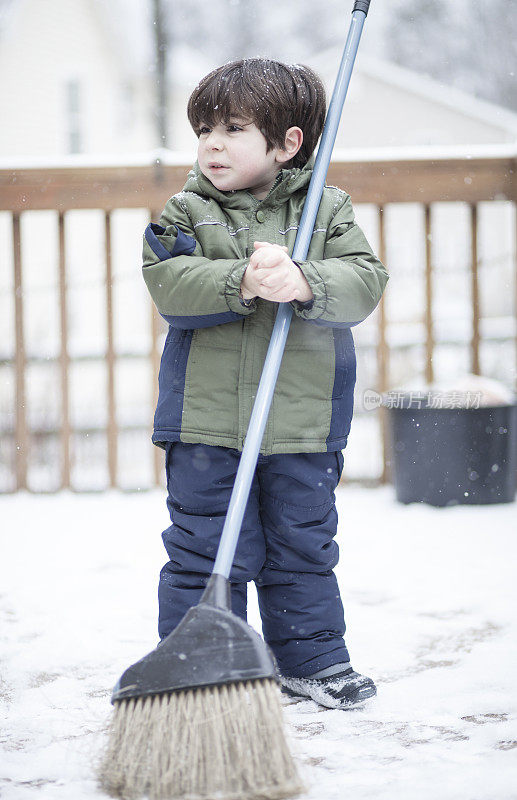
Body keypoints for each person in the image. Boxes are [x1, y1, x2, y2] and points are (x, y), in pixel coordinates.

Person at [142, 58, 388, 708]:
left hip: (302, 426)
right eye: (203, 130)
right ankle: (199, 666)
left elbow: (364, 283)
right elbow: (167, 284)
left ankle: (311, 660)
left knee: (300, 546)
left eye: (232, 128)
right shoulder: (186, 211)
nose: (211, 144)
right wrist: (240, 281)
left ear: (287, 144)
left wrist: (307, 279)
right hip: (204, 424)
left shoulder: (326, 212)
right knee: (206, 547)